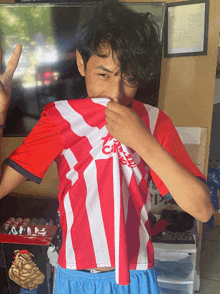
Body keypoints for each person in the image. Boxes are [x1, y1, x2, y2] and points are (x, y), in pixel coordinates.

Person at [0, 0, 214, 293]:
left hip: (137, 274)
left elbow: (203, 210)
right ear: (80, 62)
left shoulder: (154, 121)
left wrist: (141, 139)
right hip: (75, 276)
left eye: (129, 79)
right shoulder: (60, 118)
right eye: (104, 74)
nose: (115, 94)